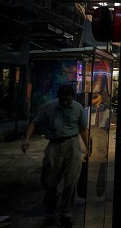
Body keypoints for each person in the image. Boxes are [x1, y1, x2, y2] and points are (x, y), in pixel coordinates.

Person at [21, 84, 90, 228]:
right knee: (48, 179)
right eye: (63, 100)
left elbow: (83, 129)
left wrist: (88, 147)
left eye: (68, 100)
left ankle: (66, 213)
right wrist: (27, 138)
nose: (66, 103)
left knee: (71, 180)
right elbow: (35, 122)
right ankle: (52, 195)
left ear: (73, 98)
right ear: (59, 98)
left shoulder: (77, 108)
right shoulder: (49, 107)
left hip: (72, 145)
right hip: (54, 145)